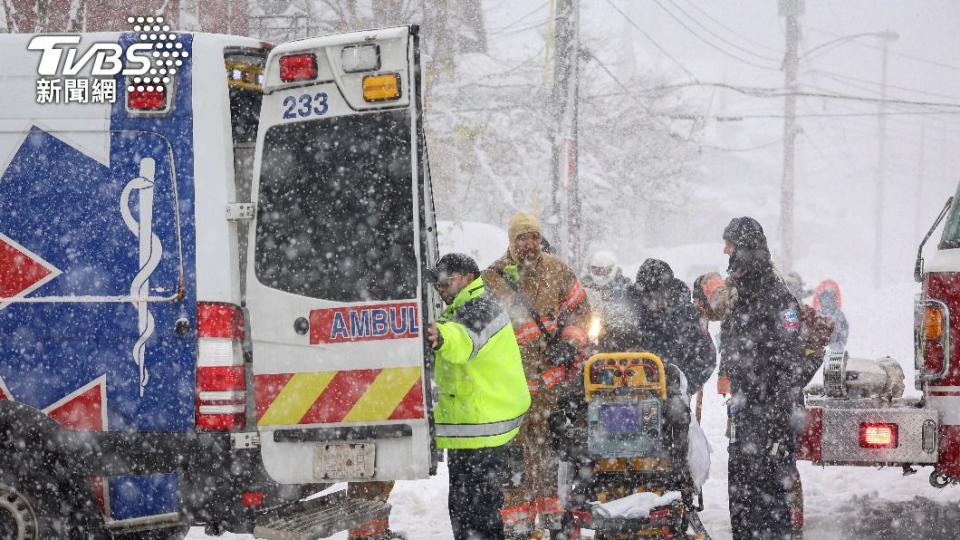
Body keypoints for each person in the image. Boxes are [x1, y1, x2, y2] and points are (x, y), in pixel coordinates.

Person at [482, 212, 592, 538]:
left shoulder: (557, 269)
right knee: (514, 461)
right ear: (511, 241)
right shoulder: (494, 279)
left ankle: (553, 519)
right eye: (521, 238)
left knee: (548, 455)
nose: (528, 244)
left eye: (532, 237)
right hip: (511, 389)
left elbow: (582, 309)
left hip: (550, 386)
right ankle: (517, 524)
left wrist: (570, 343)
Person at [425, 253, 531, 540]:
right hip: (471, 431)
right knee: (464, 513)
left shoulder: (481, 306)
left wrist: (442, 338)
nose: (440, 289)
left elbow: (462, 340)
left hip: (484, 431)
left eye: (446, 282)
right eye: (437, 284)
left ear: (468, 278)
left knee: (478, 515)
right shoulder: (461, 308)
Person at [719, 217, 806, 540]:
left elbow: (792, 357)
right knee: (742, 493)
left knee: (770, 497)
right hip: (745, 409)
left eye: (730, 246)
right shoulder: (740, 290)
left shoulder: (777, 296)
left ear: (746, 249)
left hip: (773, 414)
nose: (725, 252)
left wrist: (776, 415)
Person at [602, 258, 716, 393]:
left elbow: (706, 356)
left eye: (659, 294)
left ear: (669, 290)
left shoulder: (686, 315)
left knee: (676, 411)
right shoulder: (626, 312)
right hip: (625, 388)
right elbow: (605, 347)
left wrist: (683, 382)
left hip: (670, 392)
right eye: (648, 295)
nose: (654, 300)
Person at [811, 279, 849, 351]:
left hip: (819, 350)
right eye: (825, 299)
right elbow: (843, 334)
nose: (827, 302)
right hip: (829, 350)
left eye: (829, 299)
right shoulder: (839, 315)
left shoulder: (817, 314)